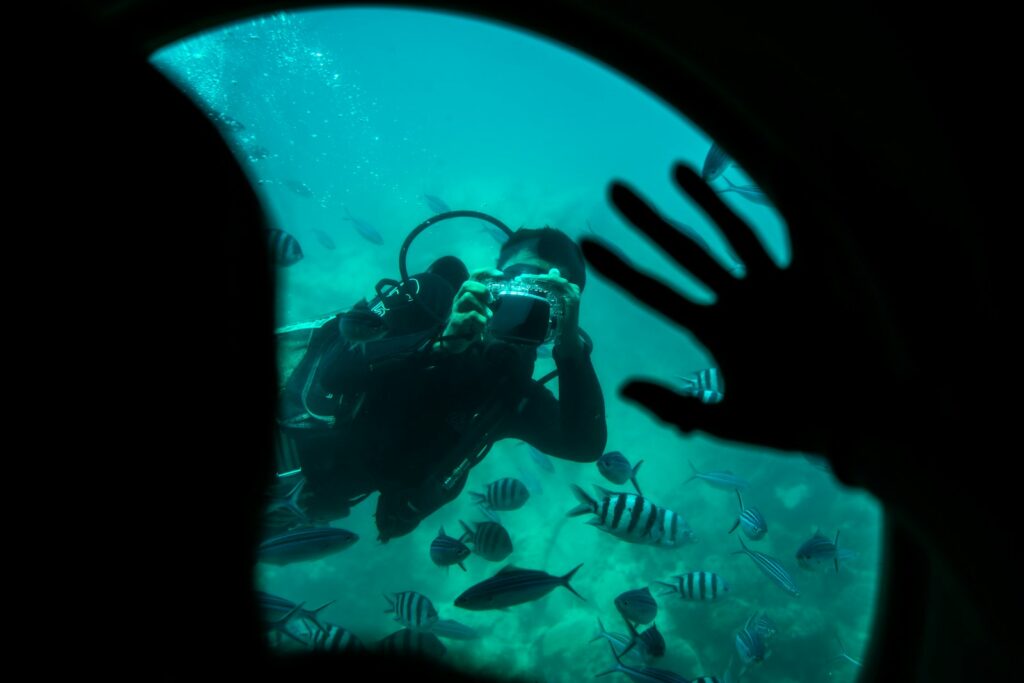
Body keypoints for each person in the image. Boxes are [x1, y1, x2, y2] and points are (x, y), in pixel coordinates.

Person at [271, 226, 607, 542]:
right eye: (517, 278)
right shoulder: (426, 301)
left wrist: (571, 351)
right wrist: (440, 342)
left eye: (549, 293)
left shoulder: (510, 393)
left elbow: (584, 445)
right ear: (496, 276)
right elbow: (335, 372)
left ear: (564, 311)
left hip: (300, 506)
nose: (527, 298)